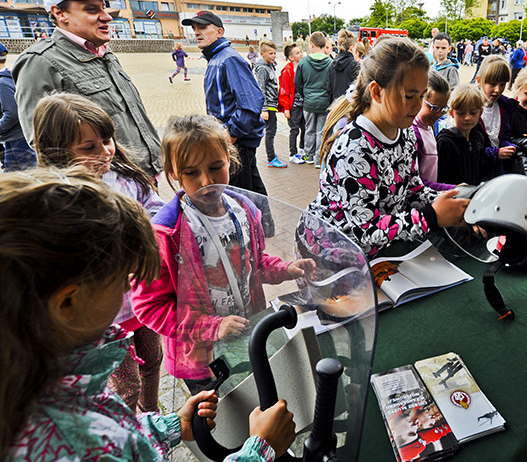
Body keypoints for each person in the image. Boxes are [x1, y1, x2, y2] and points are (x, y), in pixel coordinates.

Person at [0, 167, 296, 461]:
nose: (128, 287)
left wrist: (166, 428)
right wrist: (260, 449)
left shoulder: (48, 377)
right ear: (67, 303)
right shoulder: (64, 441)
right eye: (122, 276)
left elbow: (109, 432)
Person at [131, 114, 314, 394]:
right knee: (226, 423)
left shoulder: (245, 211)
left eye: (216, 167)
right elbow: (150, 306)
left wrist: (285, 269)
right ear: (173, 172)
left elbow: (255, 263)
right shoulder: (164, 235)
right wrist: (210, 326)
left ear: (230, 158)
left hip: (247, 340)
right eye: (191, 173)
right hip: (201, 363)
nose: (207, 181)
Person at [32, 92, 166, 413]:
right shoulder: (54, 203)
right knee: (125, 385)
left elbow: (156, 211)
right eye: (89, 147)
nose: (106, 151)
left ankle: (150, 415)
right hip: (104, 319)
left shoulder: (125, 177)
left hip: (141, 300)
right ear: (57, 151)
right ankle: (129, 429)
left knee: (153, 358)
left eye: (108, 140)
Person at [305, 37, 469, 257]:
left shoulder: (406, 131)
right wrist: (431, 217)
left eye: (421, 95)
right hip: (333, 256)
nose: (417, 105)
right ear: (376, 92)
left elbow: (412, 190)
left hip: (379, 252)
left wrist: (453, 202)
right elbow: (365, 231)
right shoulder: (355, 147)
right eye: (409, 96)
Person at [14, 0, 162, 177]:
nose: (107, 16)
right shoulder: (39, 61)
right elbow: (43, 144)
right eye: (92, 10)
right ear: (60, 13)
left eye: (103, 7)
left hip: (145, 176)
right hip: (111, 190)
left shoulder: (104, 52)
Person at [181, 11, 268, 195]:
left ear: (219, 32)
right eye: (194, 28)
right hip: (231, 140)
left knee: (240, 196)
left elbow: (251, 103)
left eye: (202, 27)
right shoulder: (216, 58)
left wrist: (231, 134)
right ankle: (263, 223)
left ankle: (257, 223)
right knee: (252, 192)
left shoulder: (228, 59)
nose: (196, 32)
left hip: (237, 142)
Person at [436, 84, 490, 186]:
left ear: (480, 112)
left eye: (473, 113)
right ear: (452, 113)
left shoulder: (478, 138)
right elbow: (442, 177)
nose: (467, 118)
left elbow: (483, 168)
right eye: (461, 113)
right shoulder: (445, 142)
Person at [475, 55, 517, 176]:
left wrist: (508, 146)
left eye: (502, 84)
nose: (498, 90)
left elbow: (504, 135)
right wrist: (494, 153)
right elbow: (467, 148)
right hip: (475, 173)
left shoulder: (506, 106)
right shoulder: (469, 109)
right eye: (492, 84)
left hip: (498, 171)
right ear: (479, 80)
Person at [295, 31, 332, 167]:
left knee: (309, 129)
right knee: (321, 131)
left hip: (309, 102)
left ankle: (309, 156)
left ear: (311, 44)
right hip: (324, 102)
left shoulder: (303, 62)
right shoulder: (330, 62)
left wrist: (305, 94)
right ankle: (319, 159)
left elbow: (297, 83)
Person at [413, 70, 455, 191]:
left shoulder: (429, 127)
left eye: (443, 109)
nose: (438, 114)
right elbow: (416, 181)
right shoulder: (414, 134)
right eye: (433, 107)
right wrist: (449, 189)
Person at [0, 43, 35, 171]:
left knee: (32, 172)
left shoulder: (2, 83)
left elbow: (12, 113)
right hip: (14, 136)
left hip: (18, 136)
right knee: (11, 170)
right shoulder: (10, 77)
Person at [254, 41, 286, 169]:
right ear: (262, 54)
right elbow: (261, 89)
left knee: (272, 130)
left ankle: (271, 153)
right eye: (270, 53)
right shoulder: (262, 68)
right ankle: (271, 157)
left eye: (275, 53)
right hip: (268, 106)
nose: (274, 55)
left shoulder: (270, 65)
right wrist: (264, 109)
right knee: (270, 131)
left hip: (273, 103)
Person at [279, 43, 305, 164]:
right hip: (293, 106)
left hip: (303, 105)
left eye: (300, 52)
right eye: (297, 53)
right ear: (291, 57)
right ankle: (292, 153)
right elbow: (284, 90)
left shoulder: (303, 68)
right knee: (294, 130)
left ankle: (302, 148)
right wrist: (286, 108)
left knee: (304, 127)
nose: (301, 54)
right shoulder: (287, 71)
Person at [328, 29, 360, 103]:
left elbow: (329, 89)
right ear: (351, 47)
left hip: (335, 105)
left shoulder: (332, 64)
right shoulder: (355, 65)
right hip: (349, 105)